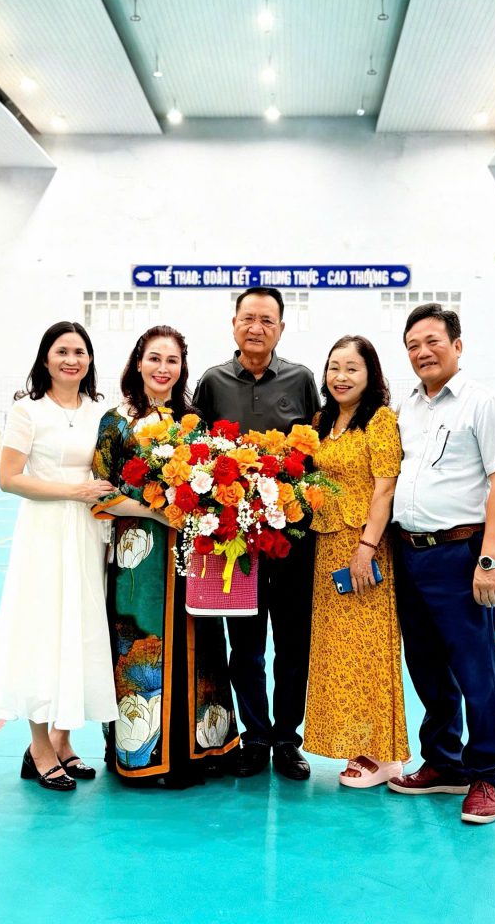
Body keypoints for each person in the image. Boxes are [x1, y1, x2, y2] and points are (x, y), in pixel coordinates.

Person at [92, 325, 240, 788]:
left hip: (193, 552)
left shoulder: (193, 422)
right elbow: (101, 492)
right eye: (154, 358)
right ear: (138, 363)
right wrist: (157, 510)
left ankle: (198, 751)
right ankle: (142, 756)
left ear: (182, 367)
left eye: (171, 360)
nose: (162, 368)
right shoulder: (117, 421)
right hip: (140, 557)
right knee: (144, 647)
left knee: (200, 642)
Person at [0, 321, 118, 791]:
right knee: (43, 631)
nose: (71, 360)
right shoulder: (28, 410)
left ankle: (63, 739)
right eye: (62, 351)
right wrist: (73, 491)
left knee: (79, 628)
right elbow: (10, 478)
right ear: (45, 359)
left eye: (79, 352)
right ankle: (38, 748)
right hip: (44, 531)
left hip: (87, 532)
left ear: (90, 360)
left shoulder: (100, 411)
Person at [388, 303, 495, 825]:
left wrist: (489, 558)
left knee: (475, 669)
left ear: (457, 346)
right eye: (413, 346)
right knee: (425, 666)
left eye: (432, 341)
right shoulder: (406, 408)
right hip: (408, 553)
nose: (423, 352)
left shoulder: (483, 404)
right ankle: (444, 762)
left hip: (461, 554)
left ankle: (484, 775)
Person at [193, 287, 321, 780]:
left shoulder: (301, 379)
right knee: (244, 646)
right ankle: (255, 736)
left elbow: (316, 453)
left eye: (267, 320)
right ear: (234, 324)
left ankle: (287, 739)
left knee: (291, 643)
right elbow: (197, 453)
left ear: (281, 328)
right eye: (248, 318)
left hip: (291, 539)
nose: (257, 328)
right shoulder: (212, 382)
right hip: (234, 541)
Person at [304, 335, 410, 786]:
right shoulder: (322, 420)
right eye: (334, 367)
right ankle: (356, 744)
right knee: (338, 653)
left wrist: (366, 547)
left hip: (363, 546)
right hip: (326, 545)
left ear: (370, 374)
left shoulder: (380, 420)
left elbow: (385, 488)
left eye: (352, 368)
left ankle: (384, 754)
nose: (341, 376)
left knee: (370, 650)